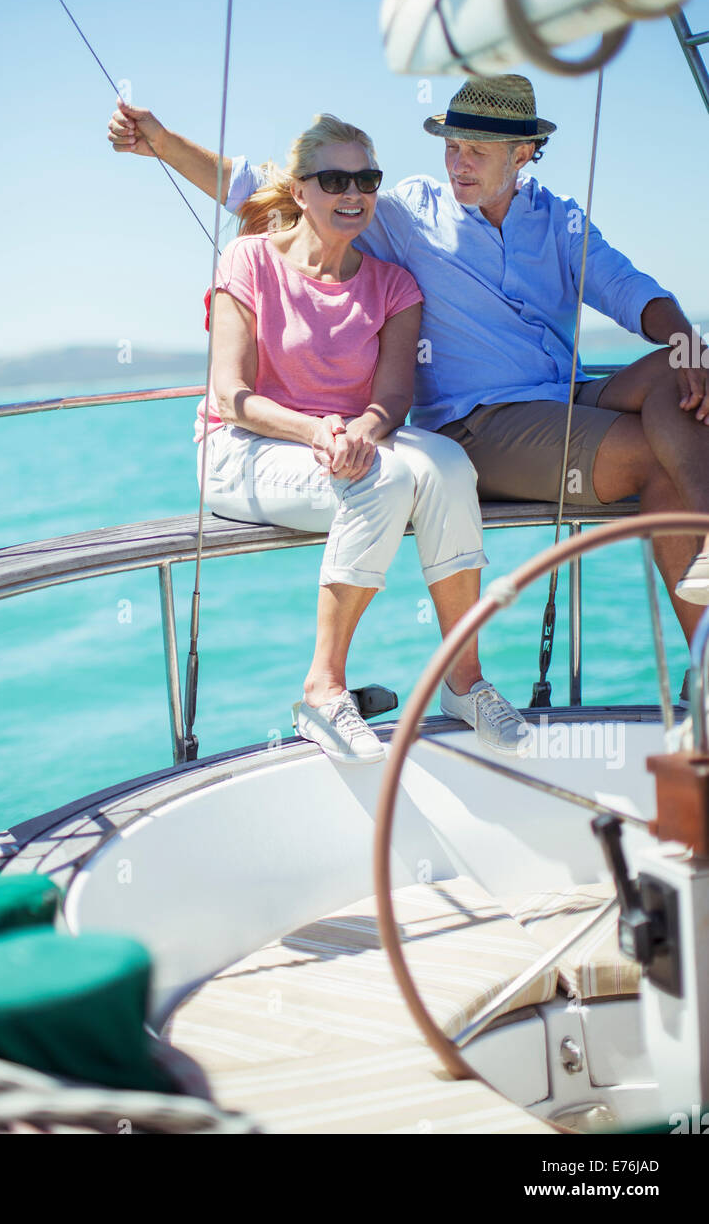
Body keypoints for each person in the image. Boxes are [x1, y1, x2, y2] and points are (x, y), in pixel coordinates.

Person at [108, 77, 709, 681]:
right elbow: (266, 190)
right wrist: (159, 141)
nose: (458, 162)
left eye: (476, 149)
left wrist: (685, 341)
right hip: (480, 422)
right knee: (658, 454)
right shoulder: (406, 214)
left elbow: (632, 291)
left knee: (682, 370)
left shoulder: (561, 221)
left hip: (568, 396)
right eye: (452, 146)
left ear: (521, 154)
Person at [113, 110, 525, 761]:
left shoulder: (393, 284)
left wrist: (360, 428)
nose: (354, 194)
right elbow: (231, 395)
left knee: (448, 462)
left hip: (347, 443)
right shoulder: (248, 260)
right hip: (241, 449)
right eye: (335, 179)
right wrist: (319, 431)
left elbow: (393, 397)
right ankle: (324, 691)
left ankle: (463, 680)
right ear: (300, 190)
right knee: (381, 478)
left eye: (367, 179)